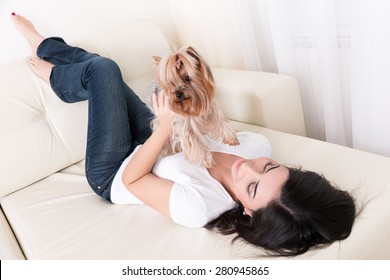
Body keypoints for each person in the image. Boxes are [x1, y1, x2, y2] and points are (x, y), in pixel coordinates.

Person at [11, 13, 357, 257]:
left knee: (103, 70)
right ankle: (44, 44)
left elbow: (133, 180)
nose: (247, 169)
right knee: (104, 67)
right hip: (156, 140)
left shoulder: (200, 206)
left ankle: (56, 75)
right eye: (268, 167)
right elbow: (202, 120)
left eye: (251, 187)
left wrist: (164, 125)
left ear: (248, 213)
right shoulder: (256, 145)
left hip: (115, 171)